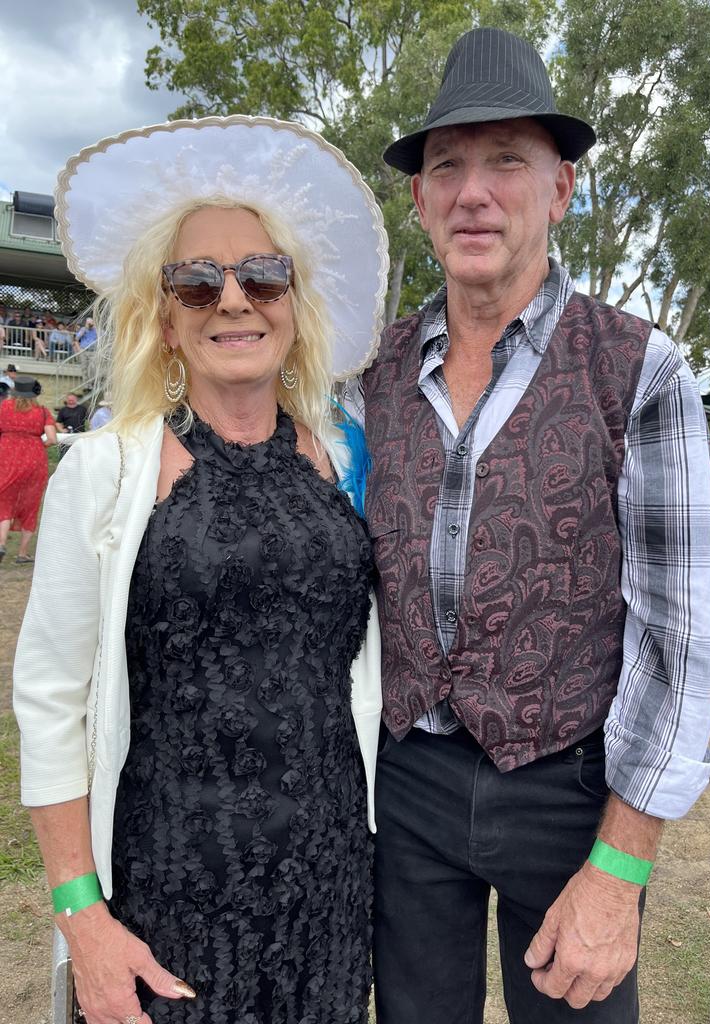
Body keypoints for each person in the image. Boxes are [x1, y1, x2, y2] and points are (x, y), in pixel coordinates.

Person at [348, 27, 710, 1024]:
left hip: (569, 791)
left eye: (506, 161)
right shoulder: (369, 375)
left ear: (561, 189)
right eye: (448, 167)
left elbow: (681, 643)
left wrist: (620, 865)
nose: (475, 191)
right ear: (422, 200)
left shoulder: (640, 368)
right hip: (409, 784)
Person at [14, 116, 388, 1024]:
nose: (233, 299)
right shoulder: (105, 473)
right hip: (167, 898)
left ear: (294, 307)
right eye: (197, 281)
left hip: (331, 895)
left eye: (263, 275)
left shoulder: (346, 463)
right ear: (165, 318)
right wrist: (82, 919)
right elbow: (52, 699)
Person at [0, 376, 58, 563]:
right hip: (34, 460)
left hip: (7, 455)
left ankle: (1, 545)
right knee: (30, 505)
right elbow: (52, 439)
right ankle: (22, 553)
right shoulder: (42, 412)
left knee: (5, 502)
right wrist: (37, 444)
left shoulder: (3, 408)